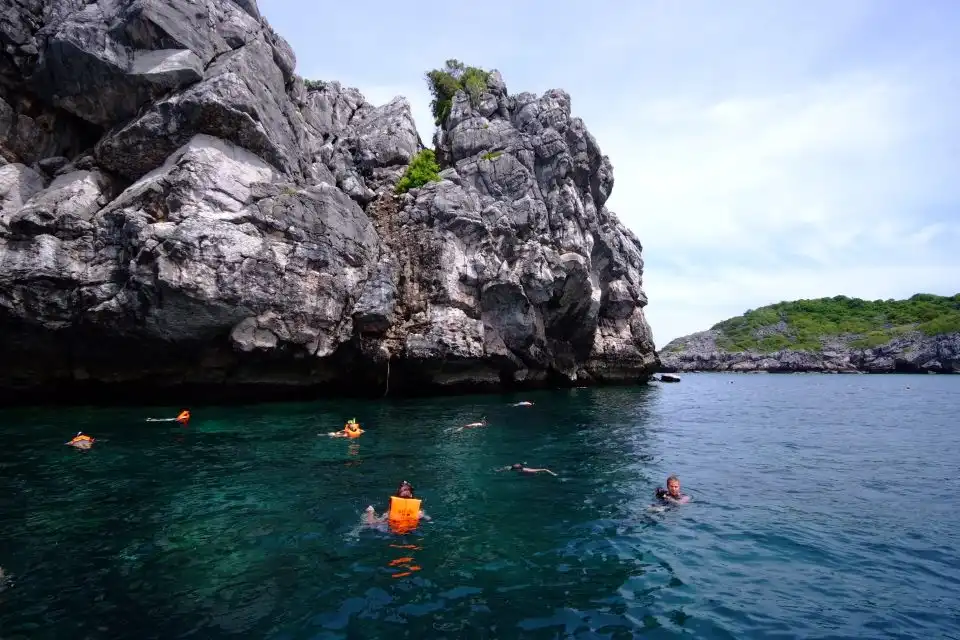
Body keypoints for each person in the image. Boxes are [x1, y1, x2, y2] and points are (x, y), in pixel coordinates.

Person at [365, 481, 431, 532]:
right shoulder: (389, 513)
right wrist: (370, 513)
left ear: (411, 494)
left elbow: (429, 519)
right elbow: (372, 525)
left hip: (410, 530)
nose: (406, 491)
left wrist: (422, 516)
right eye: (404, 490)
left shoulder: (418, 511)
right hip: (394, 531)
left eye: (408, 490)